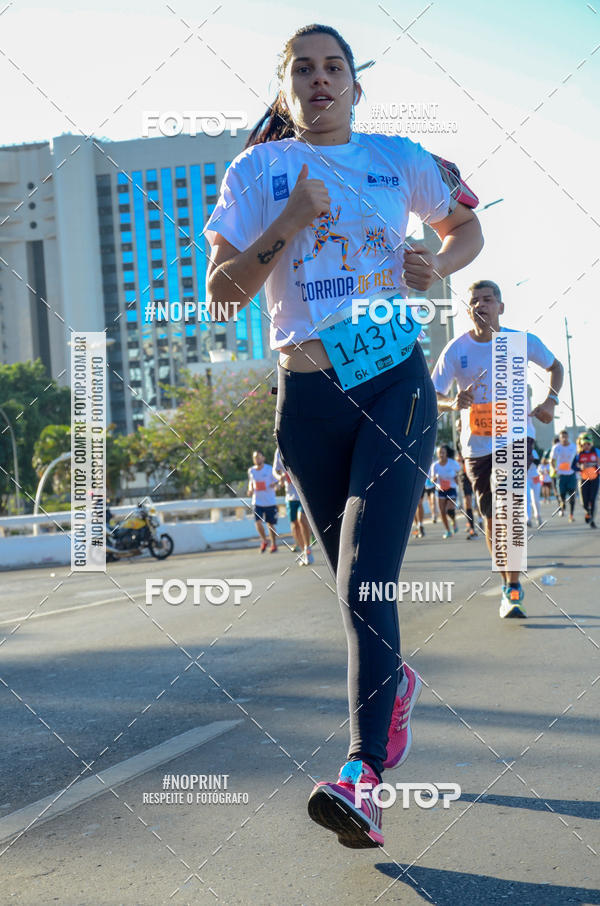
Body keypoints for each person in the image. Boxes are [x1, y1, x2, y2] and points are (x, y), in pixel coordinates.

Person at [205, 24, 483, 848]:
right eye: (304, 69)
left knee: (366, 584)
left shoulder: (398, 158)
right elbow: (223, 294)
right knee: (350, 589)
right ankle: (395, 686)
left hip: (395, 382)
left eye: (335, 68)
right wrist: (290, 219)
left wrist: (439, 266)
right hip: (308, 399)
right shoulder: (257, 174)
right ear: (285, 88)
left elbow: (466, 227)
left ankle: (363, 777)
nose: (320, 80)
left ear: (357, 86)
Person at [432, 279, 564, 619]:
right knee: (492, 517)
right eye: (474, 301)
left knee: (509, 510)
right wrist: (452, 403)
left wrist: (550, 401)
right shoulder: (455, 350)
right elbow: (434, 393)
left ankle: (514, 586)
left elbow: (556, 367)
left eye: (488, 300)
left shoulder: (521, 342)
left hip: (516, 437)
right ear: (468, 310)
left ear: (500, 307)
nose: (481, 305)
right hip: (476, 446)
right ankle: (508, 584)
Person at [273, 446, 314, 562]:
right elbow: (275, 470)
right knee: (295, 525)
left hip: (303, 493)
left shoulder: (297, 445)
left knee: (302, 519)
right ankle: (303, 551)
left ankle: (308, 548)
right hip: (290, 496)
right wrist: (280, 477)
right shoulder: (278, 450)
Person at [247, 450, 279, 552]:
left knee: (270, 524)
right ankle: (264, 540)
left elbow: (277, 482)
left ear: (263, 458)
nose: (256, 459)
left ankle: (273, 544)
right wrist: (250, 490)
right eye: (255, 457)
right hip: (257, 502)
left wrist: (274, 485)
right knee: (258, 523)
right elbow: (251, 483)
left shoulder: (269, 469)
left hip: (269, 501)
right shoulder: (251, 470)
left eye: (258, 457)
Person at [429, 444, 461, 538]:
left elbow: (459, 472)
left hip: (451, 488)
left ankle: (453, 521)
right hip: (440, 490)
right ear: (437, 454)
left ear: (446, 453)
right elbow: (431, 480)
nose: (441, 454)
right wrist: (435, 478)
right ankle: (448, 531)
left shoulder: (452, 463)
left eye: (443, 452)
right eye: (439, 453)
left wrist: (456, 478)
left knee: (449, 509)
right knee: (442, 512)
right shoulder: (435, 465)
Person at [572, 432, 600, 527]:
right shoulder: (579, 454)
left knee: (593, 500)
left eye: (588, 444)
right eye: (584, 444)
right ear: (581, 444)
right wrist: (580, 468)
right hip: (583, 480)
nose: (586, 446)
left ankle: (592, 520)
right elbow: (573, 466)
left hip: (594, 479)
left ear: (591, 443)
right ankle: (588, 512)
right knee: (584, 502)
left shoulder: (596, 452)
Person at [550, 430, 578, 521]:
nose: (564, 439)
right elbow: (552, 460)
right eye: (563, 437)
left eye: (566, 437)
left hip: (571, 474)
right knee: (562, 496)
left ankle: (571, 515)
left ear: (568, 437)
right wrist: (554, 469)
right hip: (561, 475)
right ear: (560, 438)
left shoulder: (573, 447)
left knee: (572, 496)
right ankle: (562, 506)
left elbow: (578, 458)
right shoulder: (556, 447)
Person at [527, 449, 542, 527]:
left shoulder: (533, 451)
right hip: (525, 478)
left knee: (536, 499)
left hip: (534, 477)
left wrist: (530, 457)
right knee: (527, 498)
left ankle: (537, 515)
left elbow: (537, 462)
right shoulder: (517, 451)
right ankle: (528, 518)